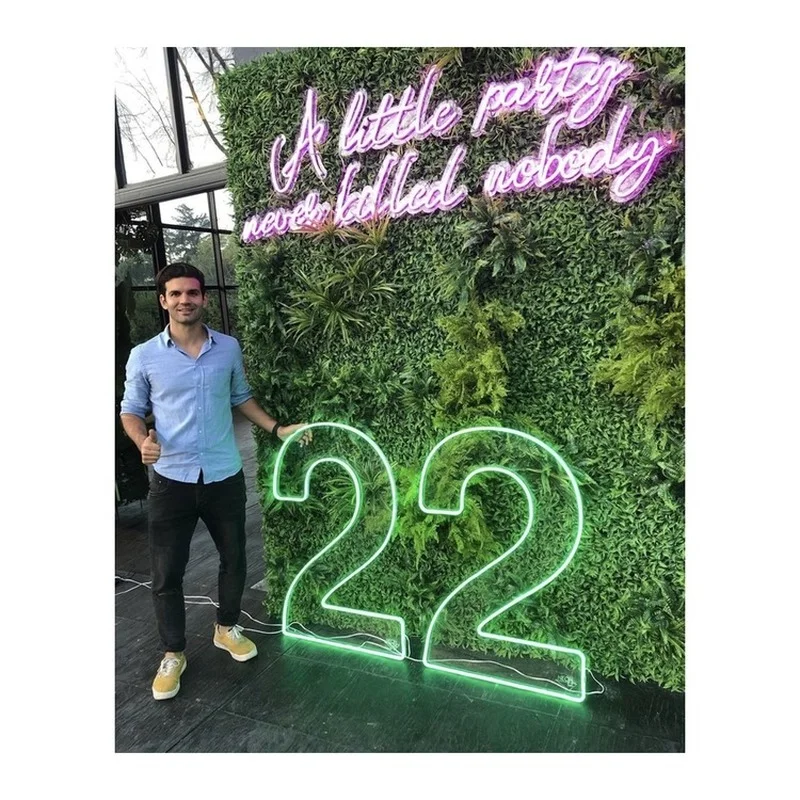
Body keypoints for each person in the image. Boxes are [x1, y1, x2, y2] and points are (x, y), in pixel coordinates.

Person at [120, 261, 311, 700]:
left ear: (203, 298)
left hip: (223, 473)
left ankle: (226, 628)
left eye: (192, 292)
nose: (184, 300)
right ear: (163, 300)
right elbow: (130, 409)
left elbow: (241, 396)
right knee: (167, 572)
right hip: (171, 480)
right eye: (175, 294)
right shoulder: (145, 355)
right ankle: (173, 652)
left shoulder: (227, 348)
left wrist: (278, 428)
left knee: (235, 558)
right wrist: (141, 440)